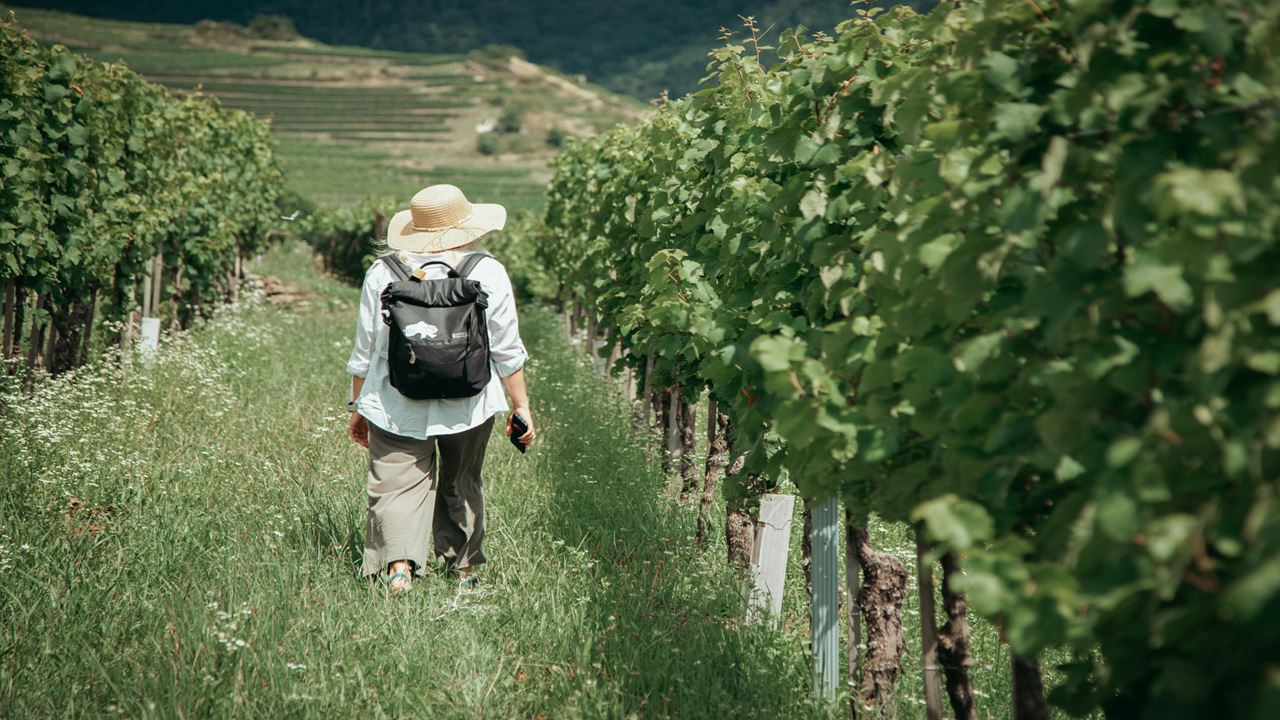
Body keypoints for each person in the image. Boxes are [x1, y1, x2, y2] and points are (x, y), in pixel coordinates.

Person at [345, 184, 535, 594]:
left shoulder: (384, 272)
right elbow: (505, 347)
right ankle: (463, 570)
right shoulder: (487, 271)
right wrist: (520, 406)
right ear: (466, 226)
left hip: (396, 397)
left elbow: (368, 349)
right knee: (462, 480)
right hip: (470, 399)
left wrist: (359, 404)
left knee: (395, 482)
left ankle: (399, 568)